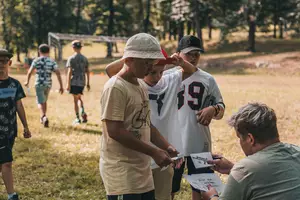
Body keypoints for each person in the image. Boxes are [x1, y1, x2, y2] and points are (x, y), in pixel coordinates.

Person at [105, 48, 197, 200]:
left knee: (164, 193)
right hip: (139, 154)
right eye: (151, 71)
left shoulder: (169, 80)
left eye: (160, 72)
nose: (156, 77)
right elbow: (109, 70)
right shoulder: (133, 83)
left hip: (163, 150)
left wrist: (178, 61)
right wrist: (134, 54)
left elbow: (192, 70)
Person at [100, 33, 178, 200]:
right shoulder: (116, 87)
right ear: (129, 60)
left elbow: (146, 123)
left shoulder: (141, 85)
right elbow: (114, 131)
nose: (150, 68)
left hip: (142, 174)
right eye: (146, 63)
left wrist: (166, 146)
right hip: (122, 175)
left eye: (153, 63)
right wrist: (153, 152)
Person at [202, 102, 300, 200]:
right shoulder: (296, 151)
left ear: (250, 139)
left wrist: (212, 195)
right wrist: (233, 168)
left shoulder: (245, 169)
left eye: (239, 138)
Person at [170, 35, 225, 200]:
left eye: (197, 54)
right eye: (189, 54)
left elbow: (221, 108)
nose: (193, 58)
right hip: (172, 142)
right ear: (178, 54)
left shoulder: (207, 79)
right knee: (168, 188)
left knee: (202, 187)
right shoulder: (166, 76)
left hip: (199, 141)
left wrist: (213, 109)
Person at [0, 49, 32, 200]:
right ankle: (12, 195)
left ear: (9, 63)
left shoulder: (15, 84)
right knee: (7, 163)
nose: (1, 65)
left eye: (4, 62)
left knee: (2, 164)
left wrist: (25, 126)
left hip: (10, 131)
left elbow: (19, 106)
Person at [25, 44, 63, 127]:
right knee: (44, 101)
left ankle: (43, 116)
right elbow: (57, 72)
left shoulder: (36, 60)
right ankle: (43, 117)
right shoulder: (52, 61)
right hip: (48, 84)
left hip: (39, 83)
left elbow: (30, 71)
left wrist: (27, 81)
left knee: (40, 101)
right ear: (49, 51)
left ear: (39, 51)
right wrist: (61, 86)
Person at [66, 40, 90, 124]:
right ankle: (83, 111)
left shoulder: (71, 58)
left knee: (75, 100)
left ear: (73, 48)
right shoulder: (85, 58)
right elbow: (87, 71)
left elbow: (69, 72)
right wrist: (88, 83)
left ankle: (77, 118)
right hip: (82, 82)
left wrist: (68, 84)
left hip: (74, 82)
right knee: (79, 98)